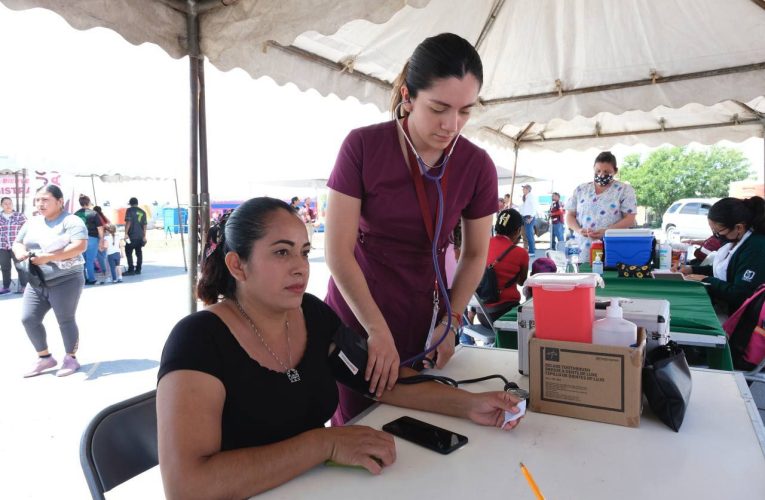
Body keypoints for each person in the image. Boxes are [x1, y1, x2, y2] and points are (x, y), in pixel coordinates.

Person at [156, 197, 524, 499]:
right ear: (237, 265)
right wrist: (324, 444)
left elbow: (381, 380)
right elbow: (187, 486)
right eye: (282, 253)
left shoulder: (311, 315)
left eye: (303, 252)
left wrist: (471, 404)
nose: (301, 268)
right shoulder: (198, 340)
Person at [324, 33, 498, 423]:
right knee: (361, 428)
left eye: (465, 111)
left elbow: (474, 254)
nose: (451, 125)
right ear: (408, 95)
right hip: (358, 310)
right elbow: (337, 252)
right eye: (439, 108)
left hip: (425, 317)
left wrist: (452, 319)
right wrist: (374, 328)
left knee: (424, 431)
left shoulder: (477, 165)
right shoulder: (362, 147)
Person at [13, 185, 87, 377]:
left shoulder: (72, 221)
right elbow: (17, 242)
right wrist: (20, 251)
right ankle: (45, 358)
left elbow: (79, 246)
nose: (40, 204)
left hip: (66, 280)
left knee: (65, 319)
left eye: (45, 200)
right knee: (28, 319)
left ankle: (71, 358)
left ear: (60, 201)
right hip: (37, 279)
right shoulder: (33, 222)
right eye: (38, 200)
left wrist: (48, 257)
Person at [675, 196, 765, 315]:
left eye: (719, 232)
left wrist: (706, 280)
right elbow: (724, 270)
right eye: (714, 232)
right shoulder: (735, 241)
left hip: (742, 318)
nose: (717, 236)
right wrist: (691, 269)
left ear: (739, 227)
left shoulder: (756, 247)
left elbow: (740, 294)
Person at [565, 151, 637, 263]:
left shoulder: (624, 190)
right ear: (593, 168)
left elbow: (630, 219)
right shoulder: (581, 189)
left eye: (606, 171)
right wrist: (579, 230)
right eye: (598, 171)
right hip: (582, 250)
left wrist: (607, 231)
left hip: (612, 249)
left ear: (615, 171)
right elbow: (570, 215)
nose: (601, 175)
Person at [474, 208, 529, 328]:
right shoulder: (520, 253)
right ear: (518, 230)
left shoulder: (482, 244)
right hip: (505, 314)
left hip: (482, 314)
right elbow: (522, 282)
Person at [73, 195, 105, 285]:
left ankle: (83, 280)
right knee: (90, 260)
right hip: (92, 239)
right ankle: (92, 279)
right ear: (88, 202)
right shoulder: (94, 213)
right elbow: (100, 228)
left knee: (81, 260)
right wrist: (101, 239)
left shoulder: (76, 214)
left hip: (79, 239)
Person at [0, 197, 27, 294]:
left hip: (16, 246)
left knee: (20, 266)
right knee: (5, 267)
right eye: (5, 203)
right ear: (1, 205)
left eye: (10, 203)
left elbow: (26, 230)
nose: (8, 205)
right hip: (2, 247)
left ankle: (24, 286)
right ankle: (6, 287)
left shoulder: (19, 216)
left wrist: (24, 244)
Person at [123, 197, 147, 275]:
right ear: (137, 203)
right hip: (140, 236)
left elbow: (128, 222)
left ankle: (131, 270)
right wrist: (144, 236)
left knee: (128, 252)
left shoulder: (129, 210)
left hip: (132, 235)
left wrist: (126, 233)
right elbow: (145, 225)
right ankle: (138, 269)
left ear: (130, 203)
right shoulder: (143, 212)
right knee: (139, 252)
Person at [519, 184, 538, 257]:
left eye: (524, 188)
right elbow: (523, 208)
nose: (523, 190)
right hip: (525, 217)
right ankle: (530, 250)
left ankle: (532, 251)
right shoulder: (526, 197)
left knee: (529, 235)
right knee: (527, 234)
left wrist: (531, 217)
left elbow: (534, 207)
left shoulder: (531, 197)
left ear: (528, 189)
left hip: (529, 217)